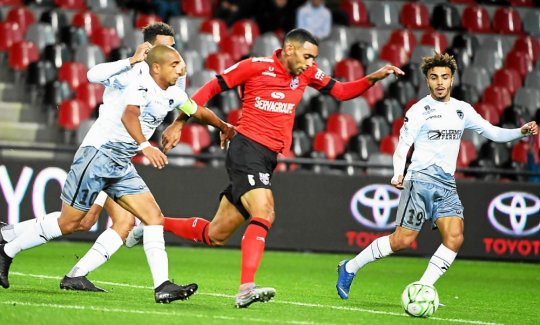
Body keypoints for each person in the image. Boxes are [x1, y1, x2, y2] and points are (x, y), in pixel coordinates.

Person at [126, 28, 404, 308]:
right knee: (265, 212)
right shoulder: (255, 66)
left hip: (267, 158)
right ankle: (246, 287)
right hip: (246, 148)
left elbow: (342, 92)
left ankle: (151, 225)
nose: (311, 63)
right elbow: (211, 88)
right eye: (307, 56)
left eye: (314, 58)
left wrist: (373, 78)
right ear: (290, 49)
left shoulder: (307, 73)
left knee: (216, 234)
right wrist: (180, 122)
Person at [0, 45, 235, 304]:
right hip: (98, 157)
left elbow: (197, 110)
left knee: (153, 217)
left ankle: (162, 286)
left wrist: (223, 126)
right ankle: (8, 249)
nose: (182, 68)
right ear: (156, 67)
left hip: (120, 164)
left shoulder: (174, 94)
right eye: (175, 63)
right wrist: (146, 146)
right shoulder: (140, 85)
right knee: (71, 222)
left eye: (181, 63)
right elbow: (129, 115)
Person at [335, 52, 538, 300]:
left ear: (452, 79)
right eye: (434, 77)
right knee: (401, 241)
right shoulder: (419, 110)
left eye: (444, 77)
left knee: (455, 237)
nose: (440, 82)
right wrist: (398, 173)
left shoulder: (462, 110)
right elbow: (403, 145)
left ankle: (422, 288)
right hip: (419, 179)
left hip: (446, 184)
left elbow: (493, 133)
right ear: (427, 81)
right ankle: (349, 267)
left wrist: (521, 132)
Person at [0, 22, 182, 292]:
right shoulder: (130, 71)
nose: (171, 51)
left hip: (120, 160)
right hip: (100, 151)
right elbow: (92, 74)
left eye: (173, 46)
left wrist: (178, 123)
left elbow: (183, 102)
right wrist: (131, 59)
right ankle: (10, 240)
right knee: (79, 221)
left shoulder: (167, 76)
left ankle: (75, 273)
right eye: (164, 46)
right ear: (149, 47)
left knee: (127, 221)